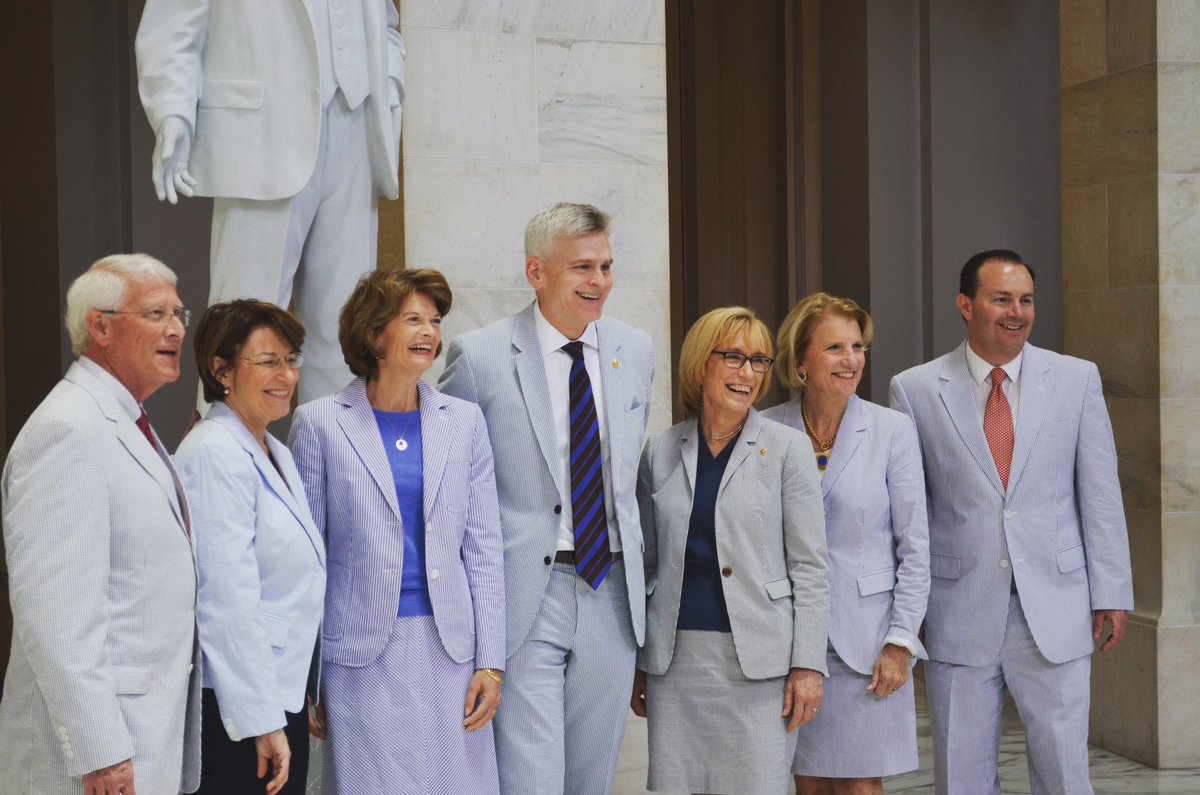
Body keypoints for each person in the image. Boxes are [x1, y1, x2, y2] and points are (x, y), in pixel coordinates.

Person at [889, 250, 1134, 795]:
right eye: (1001, 299)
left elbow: (1100, 493)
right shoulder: (915, 389)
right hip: (957, 611)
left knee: (1066, 778)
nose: (1016, 312)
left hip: (1057, 606)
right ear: (965, 305)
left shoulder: (1076, 379)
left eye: (1025, 300)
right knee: (962, 781)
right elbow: (910, 512)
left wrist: (1111, 591)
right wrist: (910, 608)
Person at [438, 202, 655, 795]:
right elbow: (449, 490)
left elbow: (626, 480)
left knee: (591, 781)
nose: (599, 281)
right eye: (582, 267)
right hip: (524, 595)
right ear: (536, 272)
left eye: (606, 266)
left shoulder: (635, 350)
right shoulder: (479, 356)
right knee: (532, 781)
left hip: (610, 591)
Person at [289, 268, 505, 793]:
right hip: (357, 653)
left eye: (434, 320)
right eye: (413, 319)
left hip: (450, 649)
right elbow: (304, 560)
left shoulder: (465, 421)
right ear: (374, 331)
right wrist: (307, 672)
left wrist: (491, 663)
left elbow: (483, 548)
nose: (429, 331)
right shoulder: (319, 423)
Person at [135, 0, 406, 402]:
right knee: (244, 327)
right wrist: (172, 112)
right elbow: (171, 25)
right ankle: (227, 441)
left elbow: (385, 25)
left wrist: (390, 89)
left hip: (357, 128)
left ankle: (336, 442)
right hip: (259, 134)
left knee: (346, 327)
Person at [0, 254, 201, 793]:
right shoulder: (67, 430)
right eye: (156, 313)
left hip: (144, 739)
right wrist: (102, 752)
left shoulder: (125, 420)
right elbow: (56, 615)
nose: (176, 328)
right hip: (98, 760)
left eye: (179, 313)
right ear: (100, 327)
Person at [631, 306, 828, 795]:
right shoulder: (660, 451)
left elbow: (810, 567)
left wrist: (808, 665)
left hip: (760, 664)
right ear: (701, 362)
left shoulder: (787, 449)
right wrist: (639, 659)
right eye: (735, 357)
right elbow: (646, 564)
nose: (749, 373)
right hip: (675, 664)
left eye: (759, 361)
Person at [762, 293, 929, 795]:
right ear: (801, 362)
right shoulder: (765, 429)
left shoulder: (892, 430)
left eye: (858, 347)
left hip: (868, 643)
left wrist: (901, 642)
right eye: (834, 347)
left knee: (860, 786)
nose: (851, 359)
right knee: (808, 783)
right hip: (788, 641)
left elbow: (915, 548)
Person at [174, 301, 326, 795]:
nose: (287, 376)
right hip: (238, 706)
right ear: (221, 370)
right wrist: (260, 718)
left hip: (276, 691)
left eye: (291, 359)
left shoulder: (273, 449)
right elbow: (226, 598)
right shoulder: (214, 451)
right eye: (268, 362)